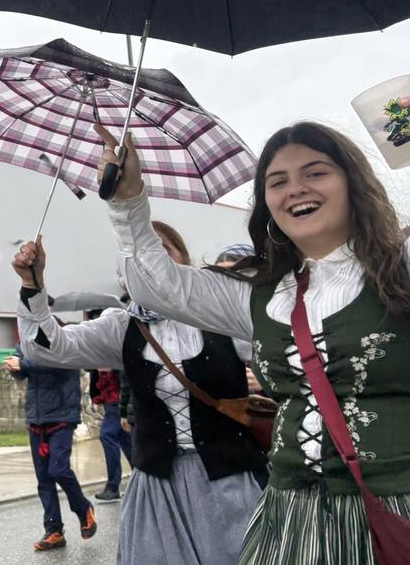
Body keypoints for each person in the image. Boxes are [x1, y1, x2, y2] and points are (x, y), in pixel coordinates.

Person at [96, 120, 410, 563]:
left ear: (352, 182)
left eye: (316, 172)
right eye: (277, 182)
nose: (295, 189)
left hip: (394, 505)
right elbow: (157, 285)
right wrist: (127, 200)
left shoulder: (400, 271)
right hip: (292, 515)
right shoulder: (260, 291)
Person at [12, 225, 266, 565]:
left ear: (182, 261)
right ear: (125, 273)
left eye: (161, 249)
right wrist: (33, 285)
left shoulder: (220, 314)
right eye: (137, 255)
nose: (150, 260)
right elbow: (46, 348)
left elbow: (284, 355)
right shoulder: (122, 327)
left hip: (228, 482)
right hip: (157, 485)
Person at [4, 343, 96, 551]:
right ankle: (54, 530)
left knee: (58, 469)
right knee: (44, 478)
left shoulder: (64, 341)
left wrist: (24, 363)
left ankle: (83, 509)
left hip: (62, 415)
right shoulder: (27, 343)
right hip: (36, 418)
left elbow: (55, 363)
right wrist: (15, 366)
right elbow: (21, 367)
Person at [87, 358, 133, 501]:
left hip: (117, 398)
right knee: (125, 440)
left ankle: (113, 486)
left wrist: (110, 365)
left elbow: (125, 365)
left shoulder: (113, 342)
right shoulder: (95, 346)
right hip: (108, 398)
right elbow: (87, 365)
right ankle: (143, 479)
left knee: (107, 435)